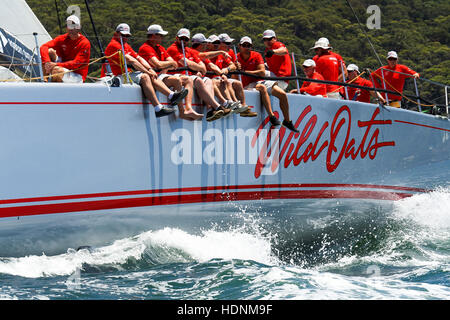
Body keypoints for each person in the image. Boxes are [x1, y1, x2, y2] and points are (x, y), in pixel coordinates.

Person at [105, 23, 186, 118]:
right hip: (120, 75)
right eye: (123, 35)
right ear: (116, 33)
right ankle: (158, 108)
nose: (125, 38)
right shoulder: (114, 44)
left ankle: (172, 96)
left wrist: (150, 69)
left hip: (130, 74)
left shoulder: (125, 44)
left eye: (127, 36)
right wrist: (147, 71)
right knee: (145, 76)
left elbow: (139, 58)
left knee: (150, 74)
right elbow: (132, 60)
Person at [138, 24, 203, 120]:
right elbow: (159, 64)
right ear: (153, 36)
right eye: (160, 35)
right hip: (153, 76)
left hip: (160, 75)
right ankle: (180, 108)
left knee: (188, 79)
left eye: (186, 39)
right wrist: (169, 63)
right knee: (176, 80)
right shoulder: (145, 47)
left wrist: (168, 63)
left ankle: (187, 109)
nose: (162, 38)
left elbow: (174, 65)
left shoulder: (160, 47)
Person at [237, 36, 299, 132]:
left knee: (282, 94)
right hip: (247, 85)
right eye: (244, 45)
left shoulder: (258, 54)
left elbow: (262, 72)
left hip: (259, 81)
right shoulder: (236, 58)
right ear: (239, 46)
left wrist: (245, 71)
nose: (246, 47)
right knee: (262, 87)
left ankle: (287, 121)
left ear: (251, 46)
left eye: (248, 45)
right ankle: (272, 116)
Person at [167, 28, 225, 121]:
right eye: (182, 39)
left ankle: (210, 109)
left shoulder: (188, 50)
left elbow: (203, 66)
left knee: (208, 80)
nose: (184, 41)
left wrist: (198, 69)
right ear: (176, 38)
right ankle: (218, 106)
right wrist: (198, 68)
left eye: (186, 39)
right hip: (178, 75)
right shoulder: (172, 48)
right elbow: (187, 63)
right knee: (198, 80)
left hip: (190, 75)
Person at [260, 30, 298, 132]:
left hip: (280, 78)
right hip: (276, 77)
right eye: (265, 40)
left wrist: (273, 51)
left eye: (269, 39)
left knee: (259, 75)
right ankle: (286, 120)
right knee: (258, 72)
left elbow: (284, 50)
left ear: (275, 39)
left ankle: (284, 120)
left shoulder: (277, 45)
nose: (267, 41)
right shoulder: (267, 51)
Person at [40, 15, 91, 83]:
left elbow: (76, 64)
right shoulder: (62, 38)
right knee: (50, 52)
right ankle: (45, 81)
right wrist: (47, 62)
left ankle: (53, 89)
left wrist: (56, 64)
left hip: (77, 75)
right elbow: (43, 47)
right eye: (69, 25)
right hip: (63, 67)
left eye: (74, 26)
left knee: (57, 70)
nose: (71, 29)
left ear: (78, 28)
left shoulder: (84, 43)